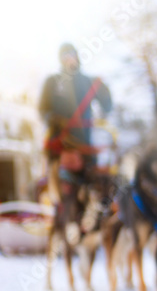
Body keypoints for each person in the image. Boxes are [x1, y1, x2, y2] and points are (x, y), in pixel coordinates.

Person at [38, 43, 112, 189]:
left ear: (77, 56)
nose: (69, 59)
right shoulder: (52, 82)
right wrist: (51, 118)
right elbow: (43, 109)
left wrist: (104, 93)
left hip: (86, 144)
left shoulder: (88, 81)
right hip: (62, 144)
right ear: (61, 59)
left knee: (94, 187)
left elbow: (107, 106)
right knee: (65, 191)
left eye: (71, 54)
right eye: (65, 55)